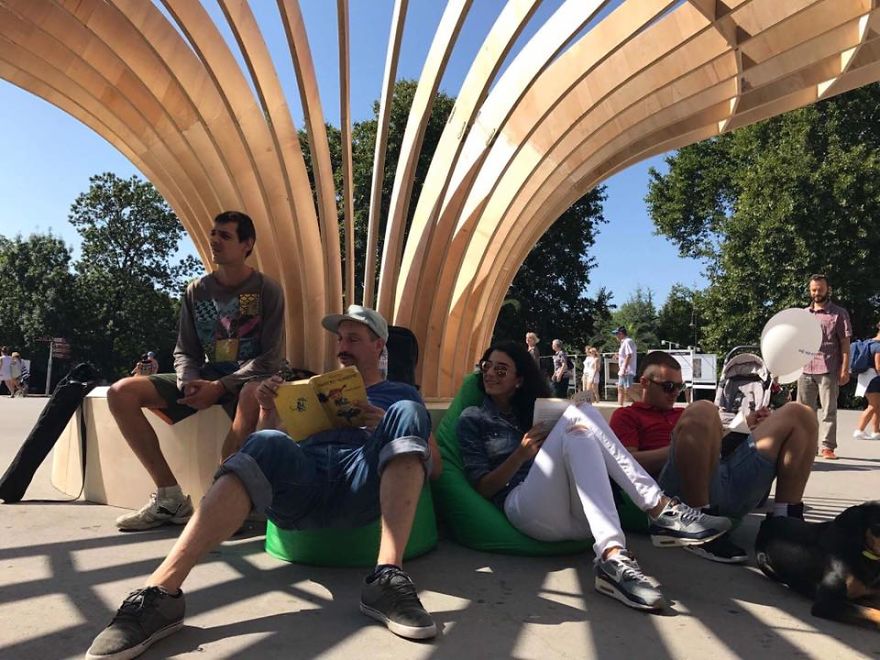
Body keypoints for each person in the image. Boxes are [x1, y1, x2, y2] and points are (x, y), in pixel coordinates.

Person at [86, 305, 443, 659]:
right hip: (306, 483)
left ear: (379, 345)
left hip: (361, 480)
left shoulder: (401, 394)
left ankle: (387, 578)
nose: (342, 347)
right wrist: (270, 412)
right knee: (267, 440)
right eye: (339, 339)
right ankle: (160, 593)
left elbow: (435, 467)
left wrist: (382, 424)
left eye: (353, 339)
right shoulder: (310, 391)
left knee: (406, 412)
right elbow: (266, 454)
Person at [457, 341, 731, 612]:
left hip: (579, 520)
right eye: (487, 367)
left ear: (519, 380)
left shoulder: (534, 410)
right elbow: (482, 488)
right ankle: (660, 508)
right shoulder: (474, 417)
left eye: (501, 370)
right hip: (525, 507)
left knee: (580, 435)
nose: (490, 374)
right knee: (581, 413)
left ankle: (612, 557)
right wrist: (519, 455)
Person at [106, 211, 284, 532]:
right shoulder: (196, 290)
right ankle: (169, 497)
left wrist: (220, 386)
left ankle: (223, 501)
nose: (214, 240)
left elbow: (270, 357)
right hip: (205, 375)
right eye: (213, 233)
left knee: (250, 394)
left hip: (247, 379)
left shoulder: (265, 290)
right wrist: (189, 382)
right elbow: (185, 349)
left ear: (247, 244)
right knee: (121, 392)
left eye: (225, 236)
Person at [610, 351, 818, 564]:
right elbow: (626, 466)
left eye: (679, 387)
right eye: (668, 387)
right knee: (703, 408)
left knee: (799, 413)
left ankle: (784, 525)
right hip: (675, 494)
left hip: (721, 479)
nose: (675, 393)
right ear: (645, 382)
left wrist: (746, 428)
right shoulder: (626, 416)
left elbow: (712, 446)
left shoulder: (681, 415)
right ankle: (699, 529)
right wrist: (681, 448)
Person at [796, 274, 851, 460]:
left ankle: (827, 447)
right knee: (804, 412)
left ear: (827, 289)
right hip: (804, 368)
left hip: (828, 367)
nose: (816, 293)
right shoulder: (803, 314)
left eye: (820, 289)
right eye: (813, 290)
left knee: (829, 410)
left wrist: (844, 368)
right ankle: (806, 446)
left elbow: (845, 343)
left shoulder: (838, 313)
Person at [853, 322, 880, 440]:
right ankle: (859, 429)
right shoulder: (878, 346)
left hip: (865, 377)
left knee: (877, 406)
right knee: (873, 406)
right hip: (874, 378)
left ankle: (876, 431)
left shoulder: (869, 342)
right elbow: (878, 366)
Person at [612, 326, 637, 404]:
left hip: (627, 370)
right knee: (620, 388)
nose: (615, 336)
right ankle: (620, 406)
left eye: (616, 334)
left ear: (621, 333)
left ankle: (642, 404)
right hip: (624, 369)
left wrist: (623, 369)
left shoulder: (627, 341)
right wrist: (618, 356)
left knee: (628, 390)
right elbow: (627, 355)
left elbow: (629, 355)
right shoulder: (624, 342)